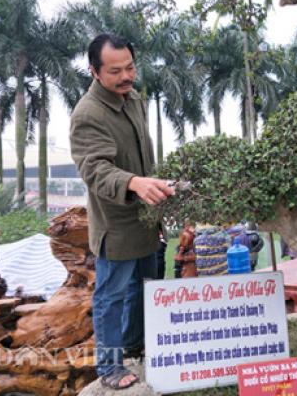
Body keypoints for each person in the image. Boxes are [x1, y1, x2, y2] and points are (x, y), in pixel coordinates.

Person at [70, 34, 175, 390]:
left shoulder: (133, 100)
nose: (126, 76)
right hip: (115, 223)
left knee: (146, 286)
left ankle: (137, 344)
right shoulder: (88, 114)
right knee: (111, 295)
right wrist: (134, 183)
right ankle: (110, 366)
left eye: (130, 67)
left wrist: (157, 185)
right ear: (95, 72)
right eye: (115, 71)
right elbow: (94, 169)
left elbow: (141, 153)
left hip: (147, 216)